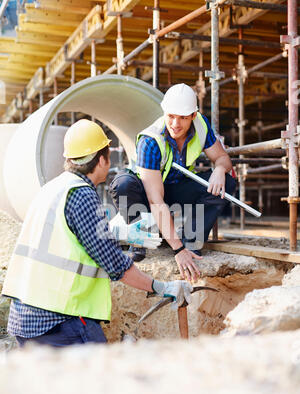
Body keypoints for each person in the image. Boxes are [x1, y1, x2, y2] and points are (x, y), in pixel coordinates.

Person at [2, 119, 193, 348]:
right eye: (108, 156)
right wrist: (163, 287)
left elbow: (68, 235)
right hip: (58, 320)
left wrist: (117, 232)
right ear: (102, 159)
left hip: (25, 317)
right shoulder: (82, 195)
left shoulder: (54, 188)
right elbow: (116, 265)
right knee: (98, 376)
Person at [109, 83, 236, 281]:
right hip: (147, 193)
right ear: (164, 112)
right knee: (123, 184)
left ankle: (191, 240)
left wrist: (220, 169)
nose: (175, 124)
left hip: (176, 187)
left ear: (194, 115)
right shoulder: (150, 140)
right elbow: (155, 200)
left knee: (226, 184)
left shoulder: (201, 125)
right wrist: (178, 251)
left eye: (183, 118)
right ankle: (140, 238)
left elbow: (222, 158)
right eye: (171, 116)